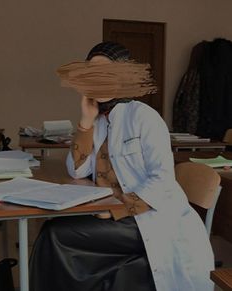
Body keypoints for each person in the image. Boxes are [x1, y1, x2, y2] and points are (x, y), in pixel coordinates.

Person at [29, 41, 214, 291]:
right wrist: (85, 122)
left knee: (56, 236)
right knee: (54, 231)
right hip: (115, 214)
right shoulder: (100, 121)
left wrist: (120, 208)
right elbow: (77, 170)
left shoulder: (143, 117)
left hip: (149, 217)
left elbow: (162, 180)